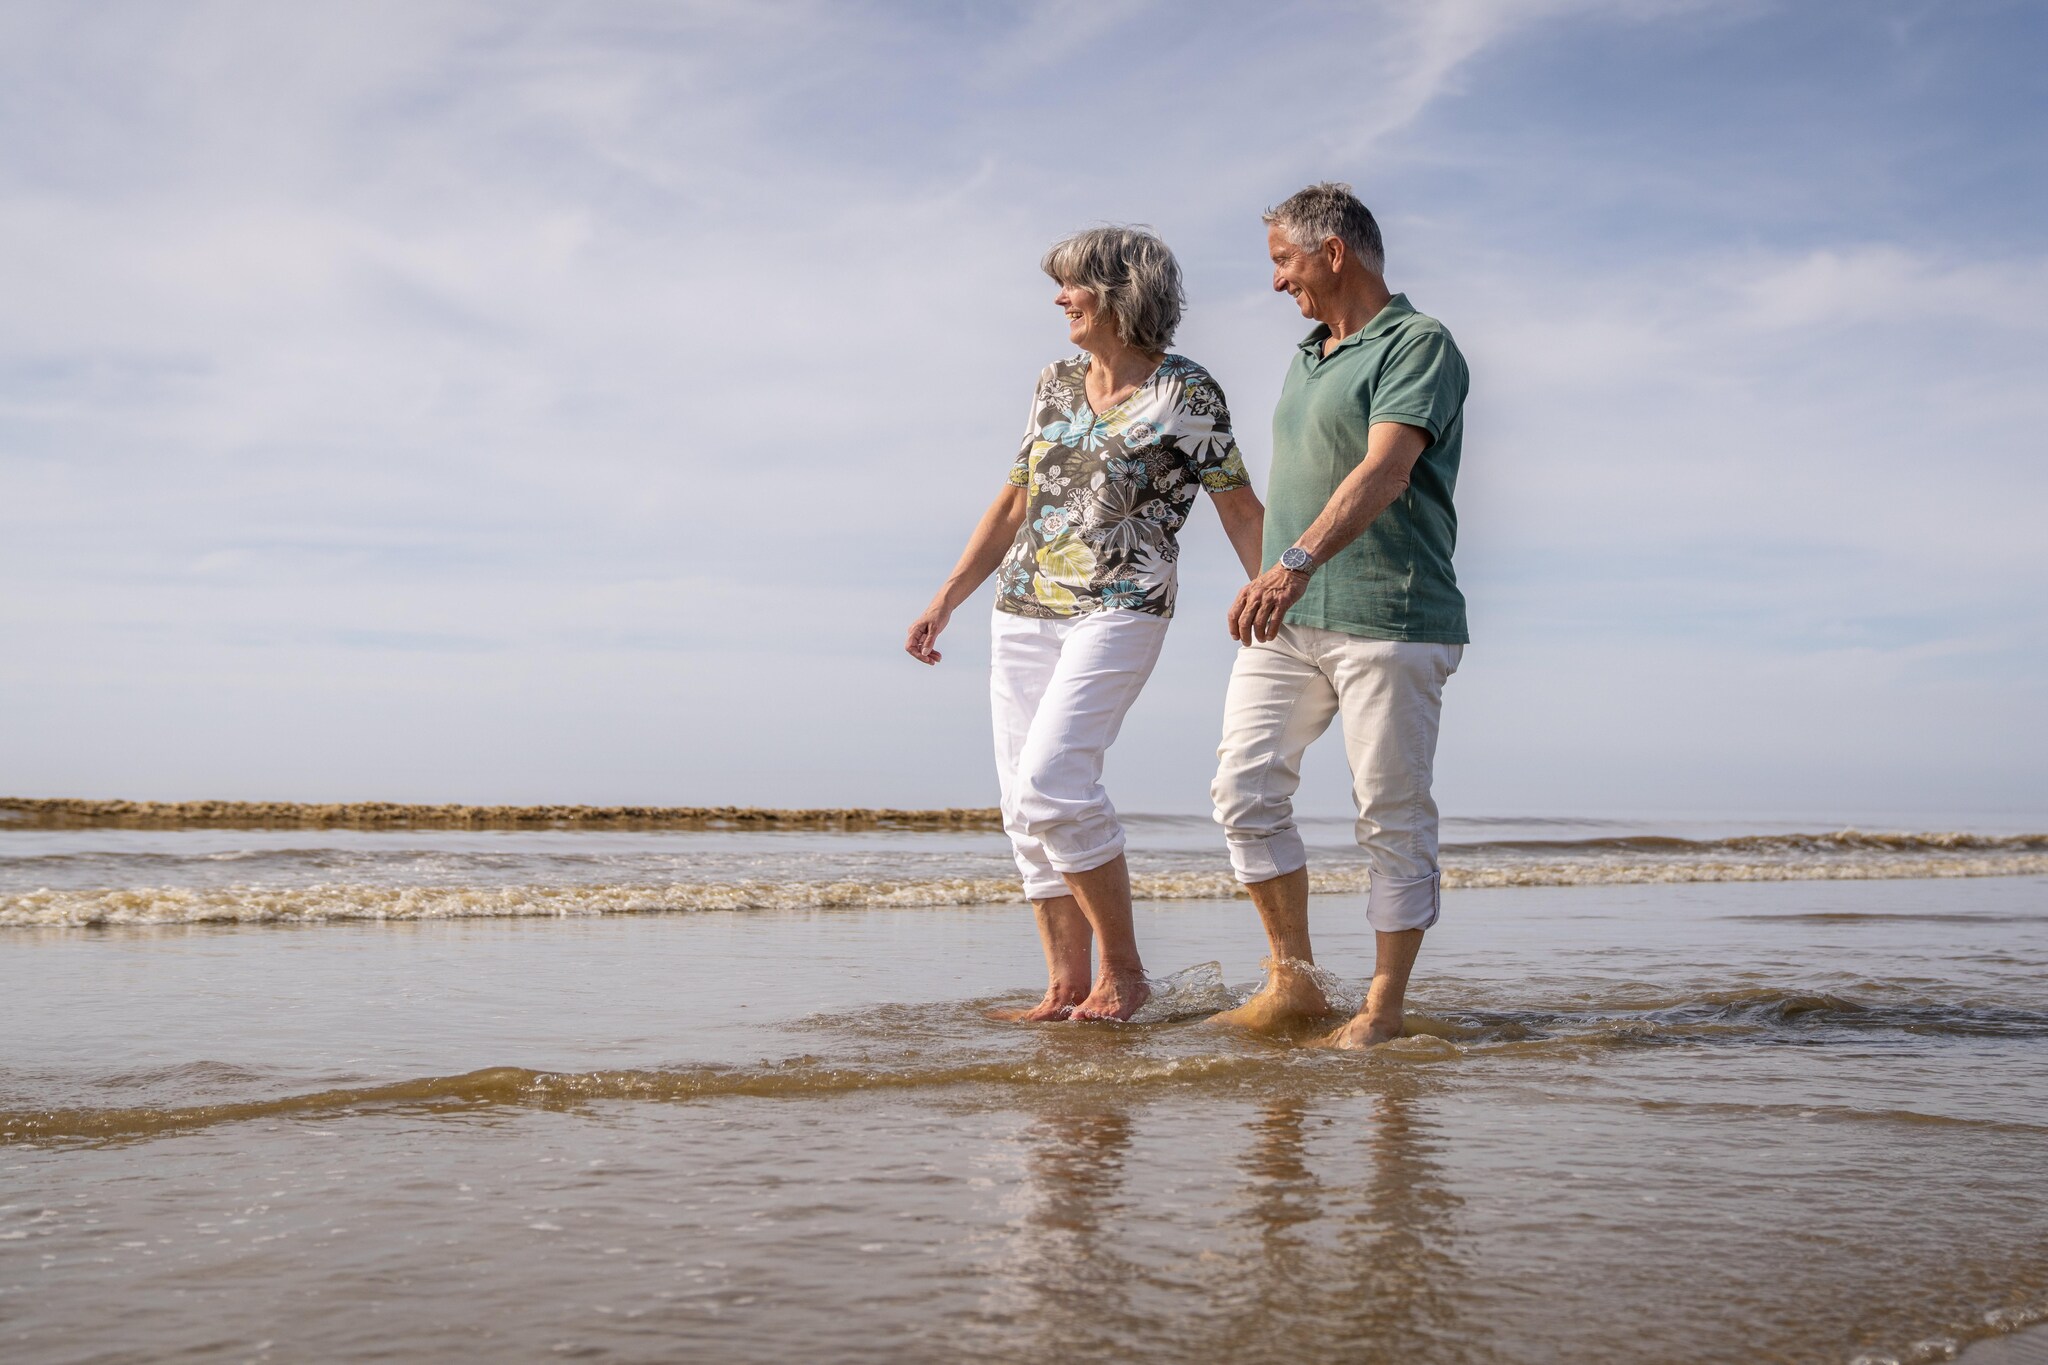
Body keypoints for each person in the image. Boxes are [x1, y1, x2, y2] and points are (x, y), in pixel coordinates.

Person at [906, 225, 1266, 1022]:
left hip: (1123, 604)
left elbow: (1239, 509)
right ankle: (1067, 984)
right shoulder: (1055, 383)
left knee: (1054, 781)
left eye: (1072, 284)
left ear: (1116, 293)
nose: (1059, 298)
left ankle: (1125, 974)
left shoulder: (1187, 393)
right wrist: (948, 596)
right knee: (1020, 804)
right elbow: (1015, 499)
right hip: (1024, 606)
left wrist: (1283, 596)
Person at [1209, 183, 1471, 1049]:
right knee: (1243, 789)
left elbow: (1386, 470)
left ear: (1333, 253)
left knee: (1389, 812)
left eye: (1283, 260)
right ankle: (1295, 985)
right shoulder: (1307, 354)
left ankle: (1382, 1011)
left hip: (1389, 614)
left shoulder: (1419, 342)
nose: (1277, 281)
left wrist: (1291, 561)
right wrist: (1276, 574)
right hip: (1290, 617)